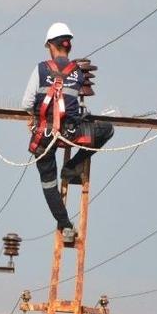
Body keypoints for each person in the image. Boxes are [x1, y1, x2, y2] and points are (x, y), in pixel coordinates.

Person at [21, 22, 114, 244]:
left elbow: (27, 103)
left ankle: (65, 226)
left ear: (50, 46)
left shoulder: (40, 69)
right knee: (107, 130)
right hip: (71, 133)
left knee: (48, 183)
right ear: (68, 46)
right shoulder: (77, 72)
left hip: (43, 137)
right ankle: (72, 166)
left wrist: (33, 116)